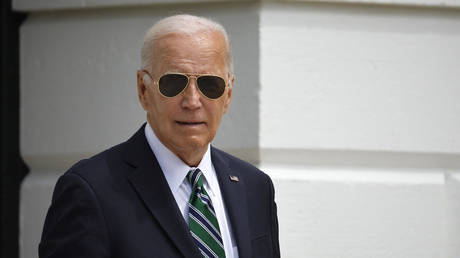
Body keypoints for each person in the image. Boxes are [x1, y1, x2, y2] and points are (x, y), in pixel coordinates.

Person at [39, 14, 280, 258]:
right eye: (173, 83)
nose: (193, 101)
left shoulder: (255, 188)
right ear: (143, 90)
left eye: (210, 84)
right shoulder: (91, 192)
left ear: (228, 95)